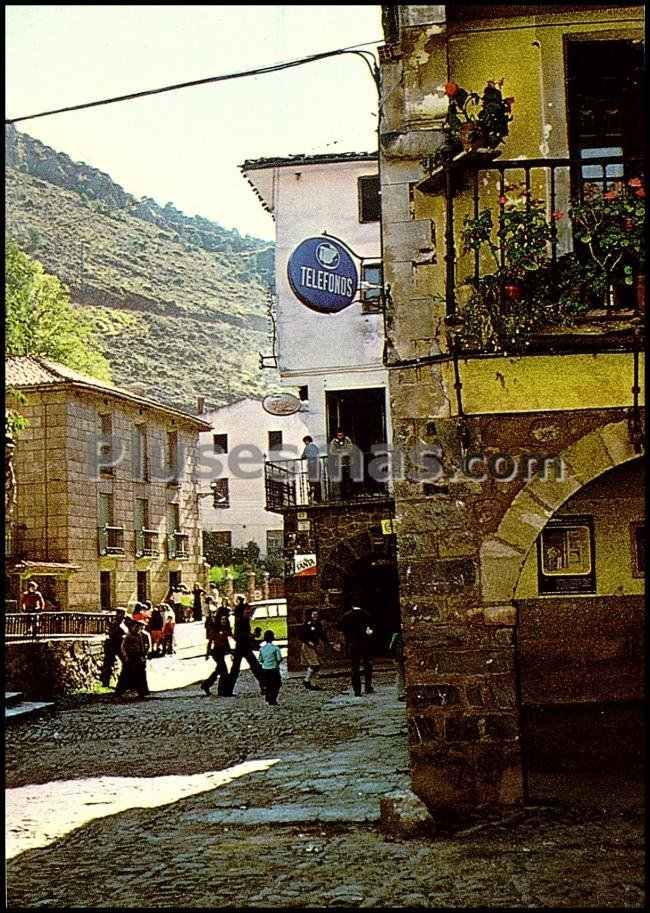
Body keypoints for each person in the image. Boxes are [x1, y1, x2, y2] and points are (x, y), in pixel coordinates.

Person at [222, 604, 264, 696]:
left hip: (243, 647)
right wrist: (252, 636)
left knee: (252, 668)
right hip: (242, 647)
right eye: (247, 612)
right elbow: (239, 636)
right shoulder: (241, 621)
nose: (249, 613)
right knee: (253, 668)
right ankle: (227, 690)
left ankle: (227, 690)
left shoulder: (243, 620)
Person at [339, 604, 374, 696]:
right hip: (365, 643)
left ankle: (357, 690)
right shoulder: (366, 614)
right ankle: (368, 686)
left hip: (353, 644)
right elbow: (370, 630)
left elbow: (342, 631)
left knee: (355, 667)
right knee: (368, 665)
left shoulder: (346, 616)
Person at [115, 619, 151, 699]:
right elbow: (123, 647)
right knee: (126, 673)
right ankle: (123, 691)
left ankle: (141, 691)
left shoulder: (142, 635)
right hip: (130, 657)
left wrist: (144, 655)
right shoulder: (129, 636)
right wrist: (125, 656)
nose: (137, 628)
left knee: (140, 674)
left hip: (138, 656)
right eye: (136, 626)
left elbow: (145, 646)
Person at [201, 614, 233, 696]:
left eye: (225, 619)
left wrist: (230, 652)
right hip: (216, 652)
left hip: (221, 652)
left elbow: (226, 642)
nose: (224, 621)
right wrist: (207, 653)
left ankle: (206, 685)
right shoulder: (215, 629)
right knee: (224, 672)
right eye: (222, 619)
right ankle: (220, 690)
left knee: (218, 670)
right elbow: (210, 642)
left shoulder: (225, 629)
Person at [300, 608, 329, 691]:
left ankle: (313, 683)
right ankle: (306, 680)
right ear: (310, 615)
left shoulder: (318, 624)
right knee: (314, 664)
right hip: (307, 646)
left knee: (317, 665)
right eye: (314, 615)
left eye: (316, 615)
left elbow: (322, 635)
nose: (315, 616)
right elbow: (301, 636)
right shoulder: (307, 624)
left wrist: (328, 643)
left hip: (315, 646)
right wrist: (308, 642)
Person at [101, 608, 129, 687]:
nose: (123, 616)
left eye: (123, 614)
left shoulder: (122, 623)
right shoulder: (115, 623)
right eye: (121, 614)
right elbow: (112, 634)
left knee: (125, 664)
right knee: (109, 664)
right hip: (113, 646)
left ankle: (124, 681)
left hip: (120, 646)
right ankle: (105, 682)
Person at [258, 630, 283, 705]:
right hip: (274, 668)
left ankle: (268, 696)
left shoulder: (262, 649)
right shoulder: (275, 648)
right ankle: (273, 699)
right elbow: (279, 658)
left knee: (268, 684)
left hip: (265, 669)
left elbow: (260, 660)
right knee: (276, 684)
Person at [328, 429, 355, 500]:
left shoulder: (347, 440)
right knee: (339, 481)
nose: (340, 436)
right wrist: (343, 451)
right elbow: (332, 451)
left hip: (347, 464)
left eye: (341, 435)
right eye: (338, 435)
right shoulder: (333, 442)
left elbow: (350, 449)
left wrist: (340, 451)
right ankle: (339, 496)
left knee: (347, 480)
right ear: (336, 435)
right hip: (338, 464)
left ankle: (348, 495)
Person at [301, 435, 322, 503]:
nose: (305, 443)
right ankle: (316, 498)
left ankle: (315, 497)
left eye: (305, 441)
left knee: (313, 482)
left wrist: (306, 456)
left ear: (307, 441)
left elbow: (304, 456)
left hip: (313, 465)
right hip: (316, 465)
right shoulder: (313, 447)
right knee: (316, 482)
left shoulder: (309, 447)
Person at [389, 630, 406, 701]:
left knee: (401, 676)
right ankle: (401, 693)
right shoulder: (397, 636)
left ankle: (402, 692)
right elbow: (391, 647)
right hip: (399, 658)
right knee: (400, 676)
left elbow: (391, 647)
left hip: (399, 658)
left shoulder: (397, 636)